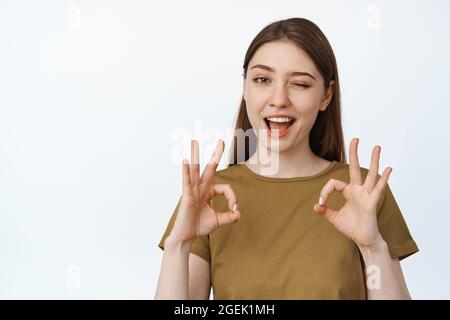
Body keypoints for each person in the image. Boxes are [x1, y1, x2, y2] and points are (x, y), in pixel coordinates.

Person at [154, 17, 419, 300]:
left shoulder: (364, 191)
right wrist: (179, 245)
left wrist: (373, 248)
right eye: (263, 80)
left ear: (326, 95)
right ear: (245, 88)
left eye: (300, 84)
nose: (279, 98)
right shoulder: (208, 196)